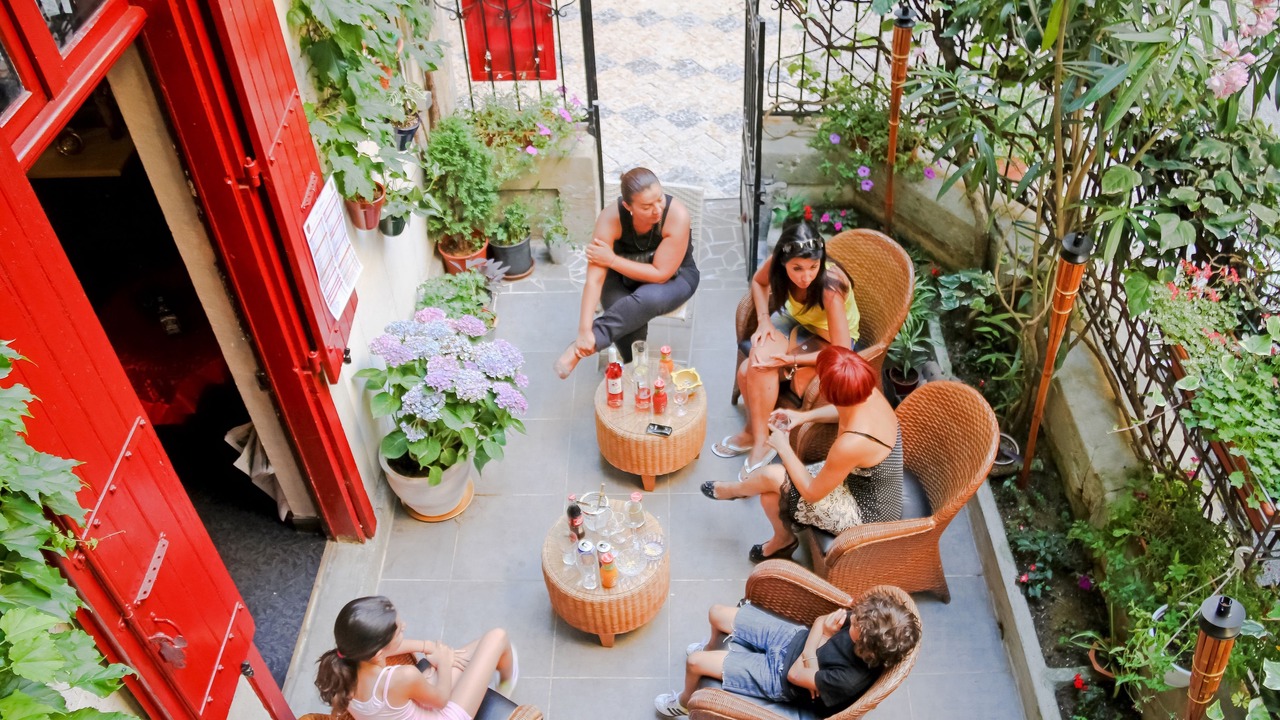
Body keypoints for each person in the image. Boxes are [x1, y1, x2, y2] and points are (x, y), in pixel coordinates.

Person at [702, 346, 903, 563]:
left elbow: (811, 493)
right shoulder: (866, 392)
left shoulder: (851, 443)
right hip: (858, 478)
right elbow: (842, 410)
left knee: (770, 477)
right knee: (769, 496)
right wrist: (802, 416)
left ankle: (735, 490)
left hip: (868, 512)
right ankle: (782, 540)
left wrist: (783, 447)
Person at [712, 219, 859, 481]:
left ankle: (759, 440)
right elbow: (758, 283)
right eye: (797, 268)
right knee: (755, 365)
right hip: (800, 327)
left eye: (813, 266)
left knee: (751, 370)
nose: (806, 277)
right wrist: (764, 320)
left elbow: (841, 349)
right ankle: (757, 436)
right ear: (784, 261)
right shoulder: (776, 264)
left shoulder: (830, 287)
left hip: (833, 342)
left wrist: (791, 359)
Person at [653, 588, 921, 717]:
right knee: (716, 613)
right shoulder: (866, 620)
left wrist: (822, 636)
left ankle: (684, 702)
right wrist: (814, 650)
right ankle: (712, 646)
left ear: (867, 645)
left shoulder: (847, 679)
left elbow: (794, 674)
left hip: (778, 676)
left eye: (856, 626)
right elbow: (819, 622)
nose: (853, 619)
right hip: (792, 638)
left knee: (694, 662)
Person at [554, 167, 699, 377]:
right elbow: (594, 280)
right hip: (621, 276)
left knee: (646, 299)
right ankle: (637, 370)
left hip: (675, 276)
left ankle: (584, 349)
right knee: (621, 308)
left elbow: (660, 273)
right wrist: (584, 330)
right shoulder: (610, 218)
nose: (657, 210)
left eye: (660, 199)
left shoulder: (676, 214)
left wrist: (612, 259)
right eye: (647, 206)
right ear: (627, 206)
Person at [315, 596, 518, 720]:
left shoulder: (344, 666)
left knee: (470, 651)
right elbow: (440, 700)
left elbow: (391, 650)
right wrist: (444, 663)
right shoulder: (403, 677)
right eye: (399, 631)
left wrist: (427, 646)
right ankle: (507, 684)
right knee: (497, 637)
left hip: (407, 707)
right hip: (441, 712)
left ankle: (487, 669)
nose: (404, 626)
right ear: (378, 653)